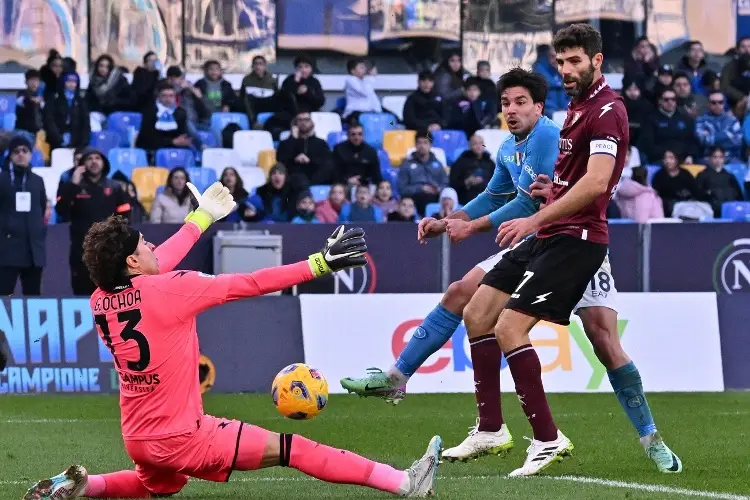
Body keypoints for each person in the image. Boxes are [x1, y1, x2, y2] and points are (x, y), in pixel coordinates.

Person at [343, 27, 681, 477]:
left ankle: (648, 437)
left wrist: (507, 219)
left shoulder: (584, 118)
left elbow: (574, 191)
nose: (566, 70)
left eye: (575, 61)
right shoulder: (547, 126)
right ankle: (475, 418)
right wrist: (454, 219)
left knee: (603, 341)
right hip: (542, 235)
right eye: (560, 63)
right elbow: (509, 192)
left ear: (595, 61)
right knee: (472, 303)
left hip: (571, 240)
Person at [23, 185, 440, 499]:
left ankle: (84, 487)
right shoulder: (173, 289)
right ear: (132, 261)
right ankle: (406, 483)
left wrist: (201, 217)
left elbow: (158, 263)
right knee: (294, 448)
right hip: (184, 436)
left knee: (160, 487)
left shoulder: (100, 300)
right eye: (143, 244)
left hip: (139, 435)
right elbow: (251, 282)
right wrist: (319, 263)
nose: (152, 245)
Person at [55, 148, 131, 295]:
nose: (94, 161)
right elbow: (61, 210)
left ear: (104, 163)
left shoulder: (115, 187)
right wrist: (74, 184)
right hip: (81, 251)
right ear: (83, 164)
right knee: (82, 294)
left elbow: (126, 216)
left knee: (110, 295)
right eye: (89, 158)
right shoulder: (73, 186)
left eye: (97, 158)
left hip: (109, 251)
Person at [0, 136, 48, 295]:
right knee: (3, 296)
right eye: (16, 151)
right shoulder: (2, 180)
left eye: (24, 151)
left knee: (33, 298)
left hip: (33, 251)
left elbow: (41, 209)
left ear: (30, 154)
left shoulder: (38, 181)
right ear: (10, 155)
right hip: (7, 250)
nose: (20, 154)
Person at [276, 110, 334, 190]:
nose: (303, 123)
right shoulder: (286, 143)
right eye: (300, 120)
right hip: (294, 178)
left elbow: (327, 161)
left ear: (312, 123)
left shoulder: (321, 142)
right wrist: (293, 139)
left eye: (306, 120)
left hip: (316, 177)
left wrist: (310, 160)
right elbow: (281, 161)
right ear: (295, 124)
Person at [639, 88, 698, 164]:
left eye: (673, 99)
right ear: (660, 101)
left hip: (683, 159)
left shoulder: (686, 119)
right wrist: (665, 155)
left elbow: (693, 141)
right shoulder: (651, 119)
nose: (670, 102)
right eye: (666, 99)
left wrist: (690, 156)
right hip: (660, 159)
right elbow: (648, 144)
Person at [397, 131, 448, 215]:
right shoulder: (406, 164)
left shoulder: (438, 164)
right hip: (415, 198)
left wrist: (438, 189)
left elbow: (445, 184)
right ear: (415, 145)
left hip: (435, 197)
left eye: (425, 142)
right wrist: (421, 188)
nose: (422, 146)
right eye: (419, 143)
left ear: (430, 145)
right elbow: (402, 189)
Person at [136, 81, 192, 152]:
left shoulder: (180, 113)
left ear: (175, 97)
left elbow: (181, 134)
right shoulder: (150, 112)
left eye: (171, 96)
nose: (168, 99)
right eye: (164, 96)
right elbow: (146, 138)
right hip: (154, 150)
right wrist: (172, 142)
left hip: (175, 149)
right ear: (158, 97)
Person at [43, 72, 91, 150]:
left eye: (74, 82)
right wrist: (58, 138)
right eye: (69, 81)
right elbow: (49, 120)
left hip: (77, 143)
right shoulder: (54, 99)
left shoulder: (81, 101)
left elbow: (86, 123)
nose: (72, 84)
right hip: (56, 141)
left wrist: (83, 142)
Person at [695, 146, 744, 218]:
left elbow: (739, 197)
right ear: (709, 158)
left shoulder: (729, 176)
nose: (718, 160)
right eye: (715, 157)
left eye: (721, 157)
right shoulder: (702, 175)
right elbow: (698, 195)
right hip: (710, 211)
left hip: (730, 210)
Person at [651, 150, 701, 217]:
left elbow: (695, 192)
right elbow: (655, 195)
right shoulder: (659, 176)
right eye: (665, 158)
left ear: (677, 159)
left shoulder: (686, 174)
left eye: (671, 158)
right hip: (666, 210)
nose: (668, 161)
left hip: (685, 209)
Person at [695, 91, 742, 162]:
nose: (717, 105)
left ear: (724, 103)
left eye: (720, 102)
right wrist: (727, 135)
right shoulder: (701, 120)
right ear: (708, 104)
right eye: (713, 102)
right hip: (708, 160)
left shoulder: (733, 120)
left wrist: (711, 137)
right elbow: (703, 140)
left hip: (731, 159)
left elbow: (738, 141)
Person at [449, 134, 494, 205]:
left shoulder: (489, 162)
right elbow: (453, 183)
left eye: (481, 143)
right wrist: (467, 182)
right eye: (475, 143)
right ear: (469, 146)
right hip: (467, 196)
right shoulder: (461, 161)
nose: (479, 146)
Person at [343, 58, 381, 122]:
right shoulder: (350, 80)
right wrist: (370, 77)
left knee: (392, 118)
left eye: (365, 67)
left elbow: (373, 100)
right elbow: (365, 92)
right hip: (355, 113)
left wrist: (379, 112)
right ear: (353, 71)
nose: (365, 70)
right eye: (361, 68)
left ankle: (398, 125)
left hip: (369, 112)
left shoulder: (364, 80)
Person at [15, 69, 44, 137]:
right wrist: (32, 100)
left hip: (38, 133)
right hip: (23, 131)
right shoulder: (22, 93)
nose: (34, 83)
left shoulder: (40, 95)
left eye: (37, 80)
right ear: (26, 82)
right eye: (32, 80)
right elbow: (21, 101)